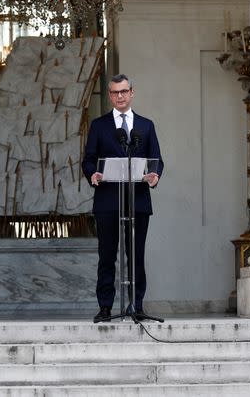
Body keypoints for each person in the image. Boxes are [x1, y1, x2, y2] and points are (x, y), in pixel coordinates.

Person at [82, 74, 163, 323]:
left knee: (136, 255)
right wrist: (92, 174)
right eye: (115, 92)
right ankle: (105, 307)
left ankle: (136, 305)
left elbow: (157, 159)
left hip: (137, 199)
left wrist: (155, 175)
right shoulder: (99, 125)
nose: (120, 96)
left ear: (132, 93)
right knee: (107, 255)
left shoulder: (145, 126)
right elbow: (88, 159)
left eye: (124, 91)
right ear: (110, 95)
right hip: (107, 200)